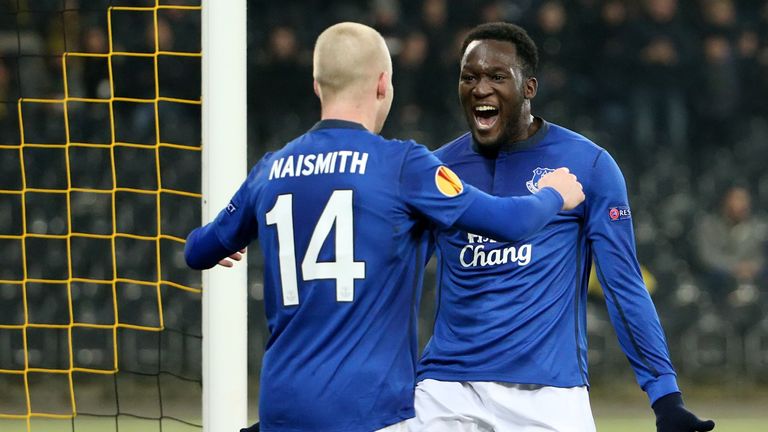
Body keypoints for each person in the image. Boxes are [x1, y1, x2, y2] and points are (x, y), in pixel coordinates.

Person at [184, 22, 585, 432]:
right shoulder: (402, 165)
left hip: (281, 409)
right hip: (367, 413)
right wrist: (553, 194)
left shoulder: (270, 170)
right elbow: (510, 223)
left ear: (318, 86)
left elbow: (197, 251)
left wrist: (228, 241)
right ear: (382, 84)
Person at [409, 22, 715, 432]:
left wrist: (665, 395)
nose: (480, 88)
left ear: (529, 87)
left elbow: (623, 285)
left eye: (497, 77)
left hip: (548, 396)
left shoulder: (588, 165)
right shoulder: (439, 169)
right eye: (469, 77)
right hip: (447, 391)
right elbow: (396, 278)